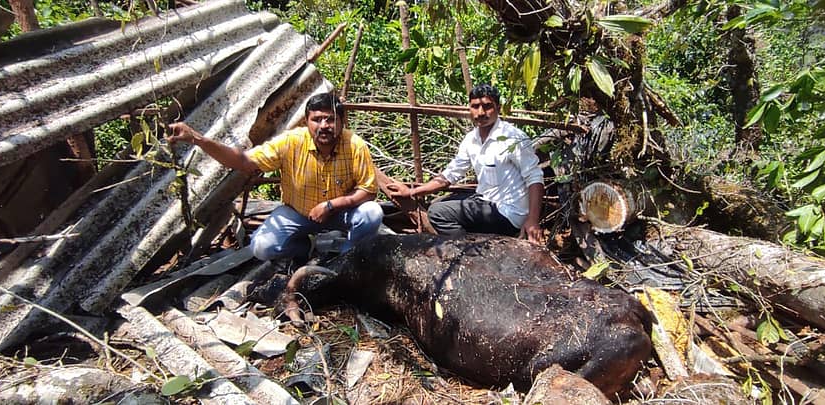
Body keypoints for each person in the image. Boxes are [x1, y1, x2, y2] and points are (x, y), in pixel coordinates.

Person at [167, 93, 383, 263]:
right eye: (317, 120)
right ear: (307, 122)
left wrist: (331, 205)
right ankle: (304, 249)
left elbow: (368, 190)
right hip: (298, 213)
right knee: (262, 247)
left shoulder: (355, 144)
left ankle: (346, 259)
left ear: (342, 121)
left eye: (330, 119)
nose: (324, 126)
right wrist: (197, 139)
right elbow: (243, 161)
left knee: (372, 213)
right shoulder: (290, 142)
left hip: (339, 213)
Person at [387, 84, 545, 244]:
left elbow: (535, 178)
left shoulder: (512, 137)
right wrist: (412, 192)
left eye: (487, 106)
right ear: (469, 108)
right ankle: (471, 242)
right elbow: (449, 176)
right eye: (475, 106)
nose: (481, 112)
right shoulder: (471, 139)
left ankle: (467, 251)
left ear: (498, 108)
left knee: (437, 213)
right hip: (485, 201)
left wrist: (532, 220)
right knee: (441, 203)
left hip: (508, 212)